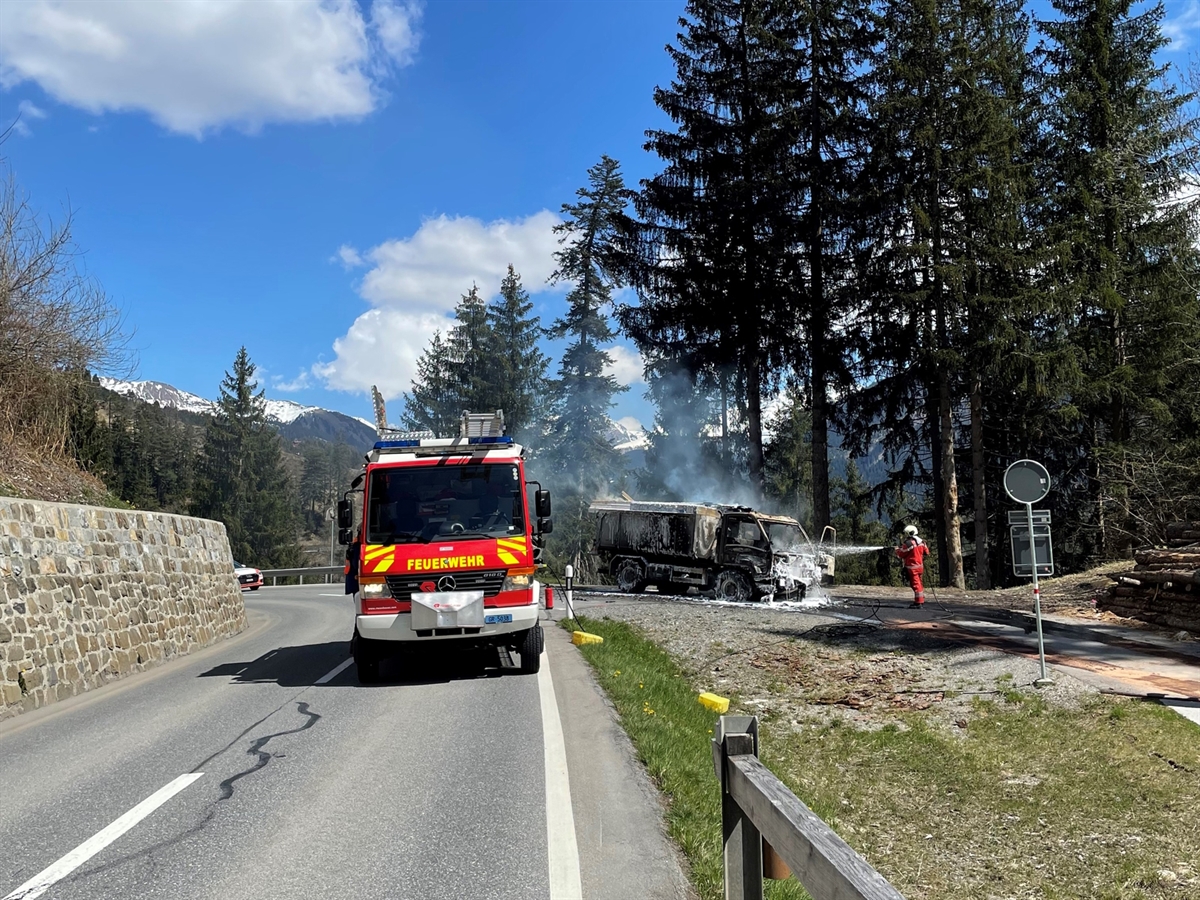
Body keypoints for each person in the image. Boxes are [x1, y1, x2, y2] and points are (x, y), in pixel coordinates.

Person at [895, 524, 930, 608]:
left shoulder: (908, 543)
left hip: (912, 567)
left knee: (915, 584)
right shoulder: (922, 542)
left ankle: (919, 603)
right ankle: (920, 600)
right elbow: (927, 552)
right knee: (919, 583)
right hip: (920, 567)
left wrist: (897, 550)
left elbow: (901, 554)